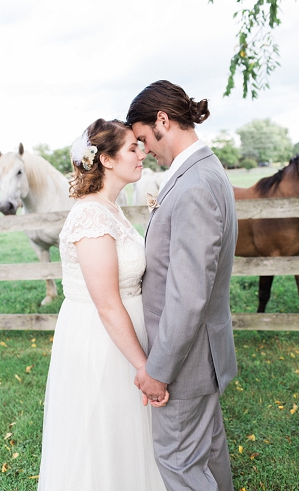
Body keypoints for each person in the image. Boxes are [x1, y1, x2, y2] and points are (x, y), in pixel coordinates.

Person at [37, 119, 167, 491]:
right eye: (132, 148)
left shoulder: (111, 208)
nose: (142, 153)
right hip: (102, 340)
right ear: (106, 160)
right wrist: (145, 368)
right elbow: (108, 304)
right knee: (103, 436)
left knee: (128, 435)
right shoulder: (91, 215)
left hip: (125, 331)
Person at [126, 80, 238, 491]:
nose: (144, 150)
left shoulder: (192, 186)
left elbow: (188, 295)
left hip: (185, 364)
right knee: (209, 455)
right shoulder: (206, 170)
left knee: (179, 463)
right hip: (202, 354)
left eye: (142, 139)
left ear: (162, 119)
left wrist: (159, 371)